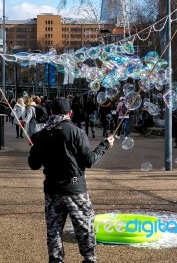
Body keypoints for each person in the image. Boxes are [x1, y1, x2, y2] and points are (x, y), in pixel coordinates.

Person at [28, 97, 114, 263]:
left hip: (52, 190)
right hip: (75, 189)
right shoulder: (76, 132)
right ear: (70, 113)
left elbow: (33, 165)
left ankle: (56, 259)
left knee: (54, 230)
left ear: (51, 112)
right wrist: (104, 146)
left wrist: (34, 149)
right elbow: (89, 161)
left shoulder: (40, 135)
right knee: (85, 228)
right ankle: (89, 259)